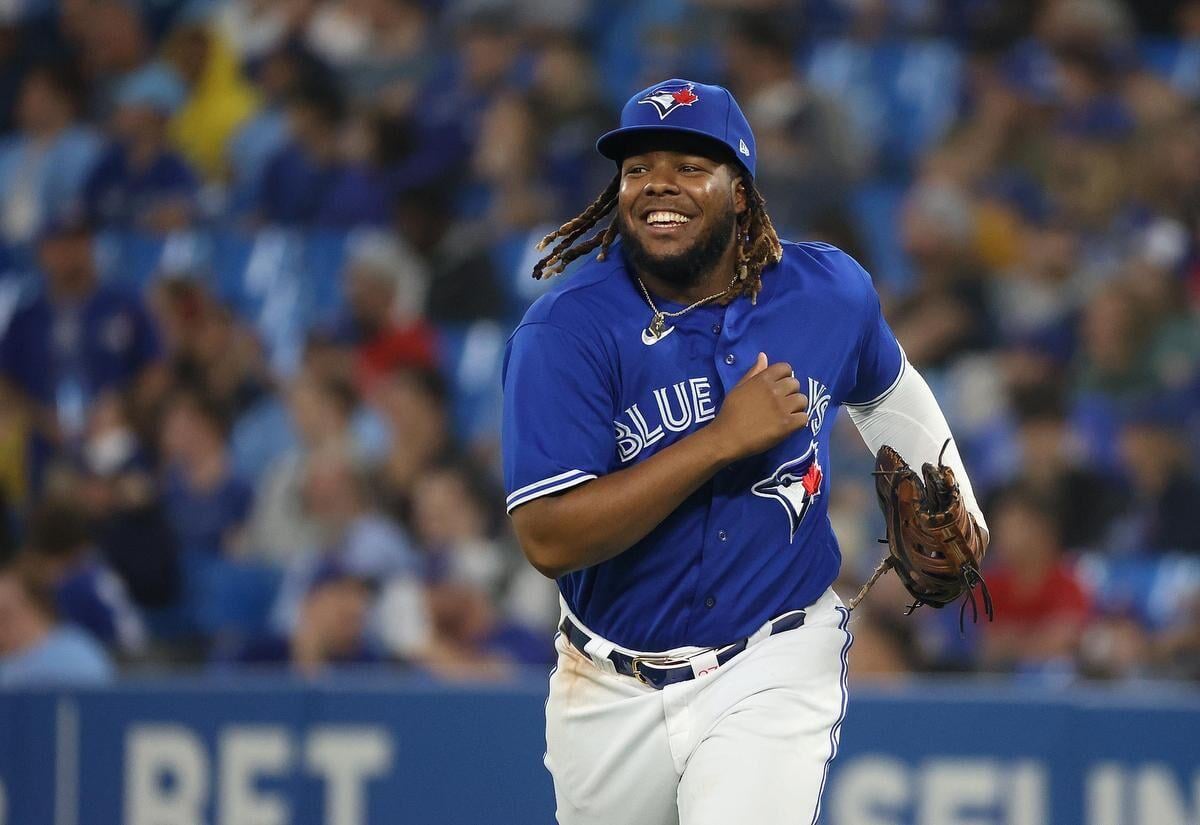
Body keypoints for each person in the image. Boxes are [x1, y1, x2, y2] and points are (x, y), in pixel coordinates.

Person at [501, 79, 988, 824]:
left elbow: (887, 390)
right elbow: (549, 536)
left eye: (691, 165)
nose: (658, 184)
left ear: (740, 192)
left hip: (776, 654)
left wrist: (955, 490)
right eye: (638, 169)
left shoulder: (827, 292)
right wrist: (719, 442)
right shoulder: (566, 331)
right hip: (607, 684)